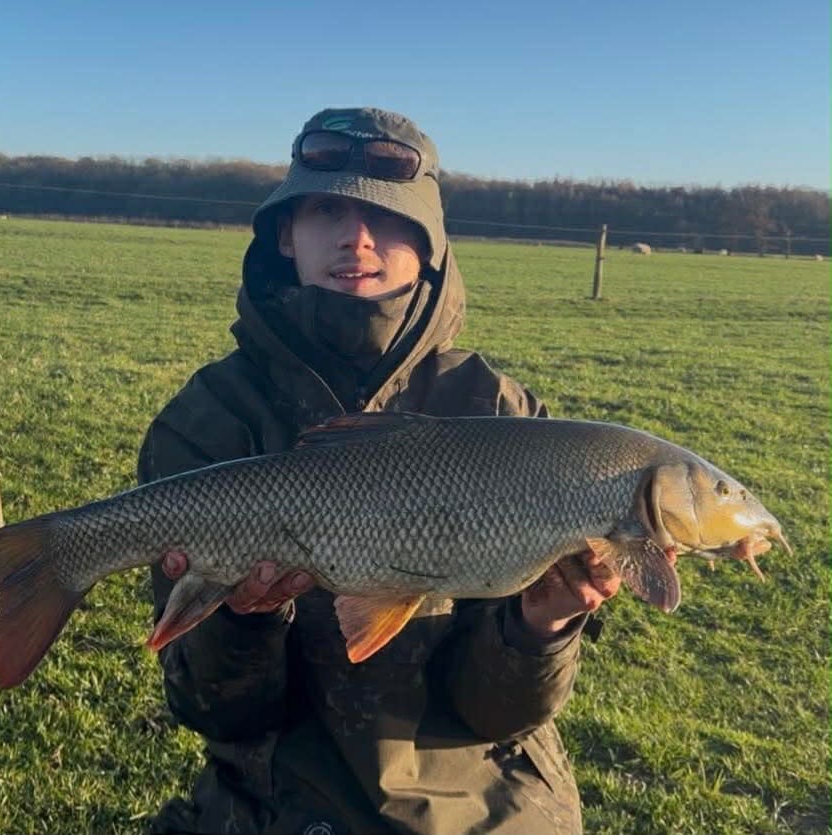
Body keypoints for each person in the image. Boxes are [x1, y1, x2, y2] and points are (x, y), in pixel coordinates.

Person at [138, 107, 621, 835]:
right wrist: (241, 619)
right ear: (284, 234)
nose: (356, 237)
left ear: (429, 247)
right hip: (278, 798)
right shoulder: (209, 418)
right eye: (327, 209)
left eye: (386, 218)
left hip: (484, 803)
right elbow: (217, 710)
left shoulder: (503, 413)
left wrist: (543, 621)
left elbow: (494, 715)